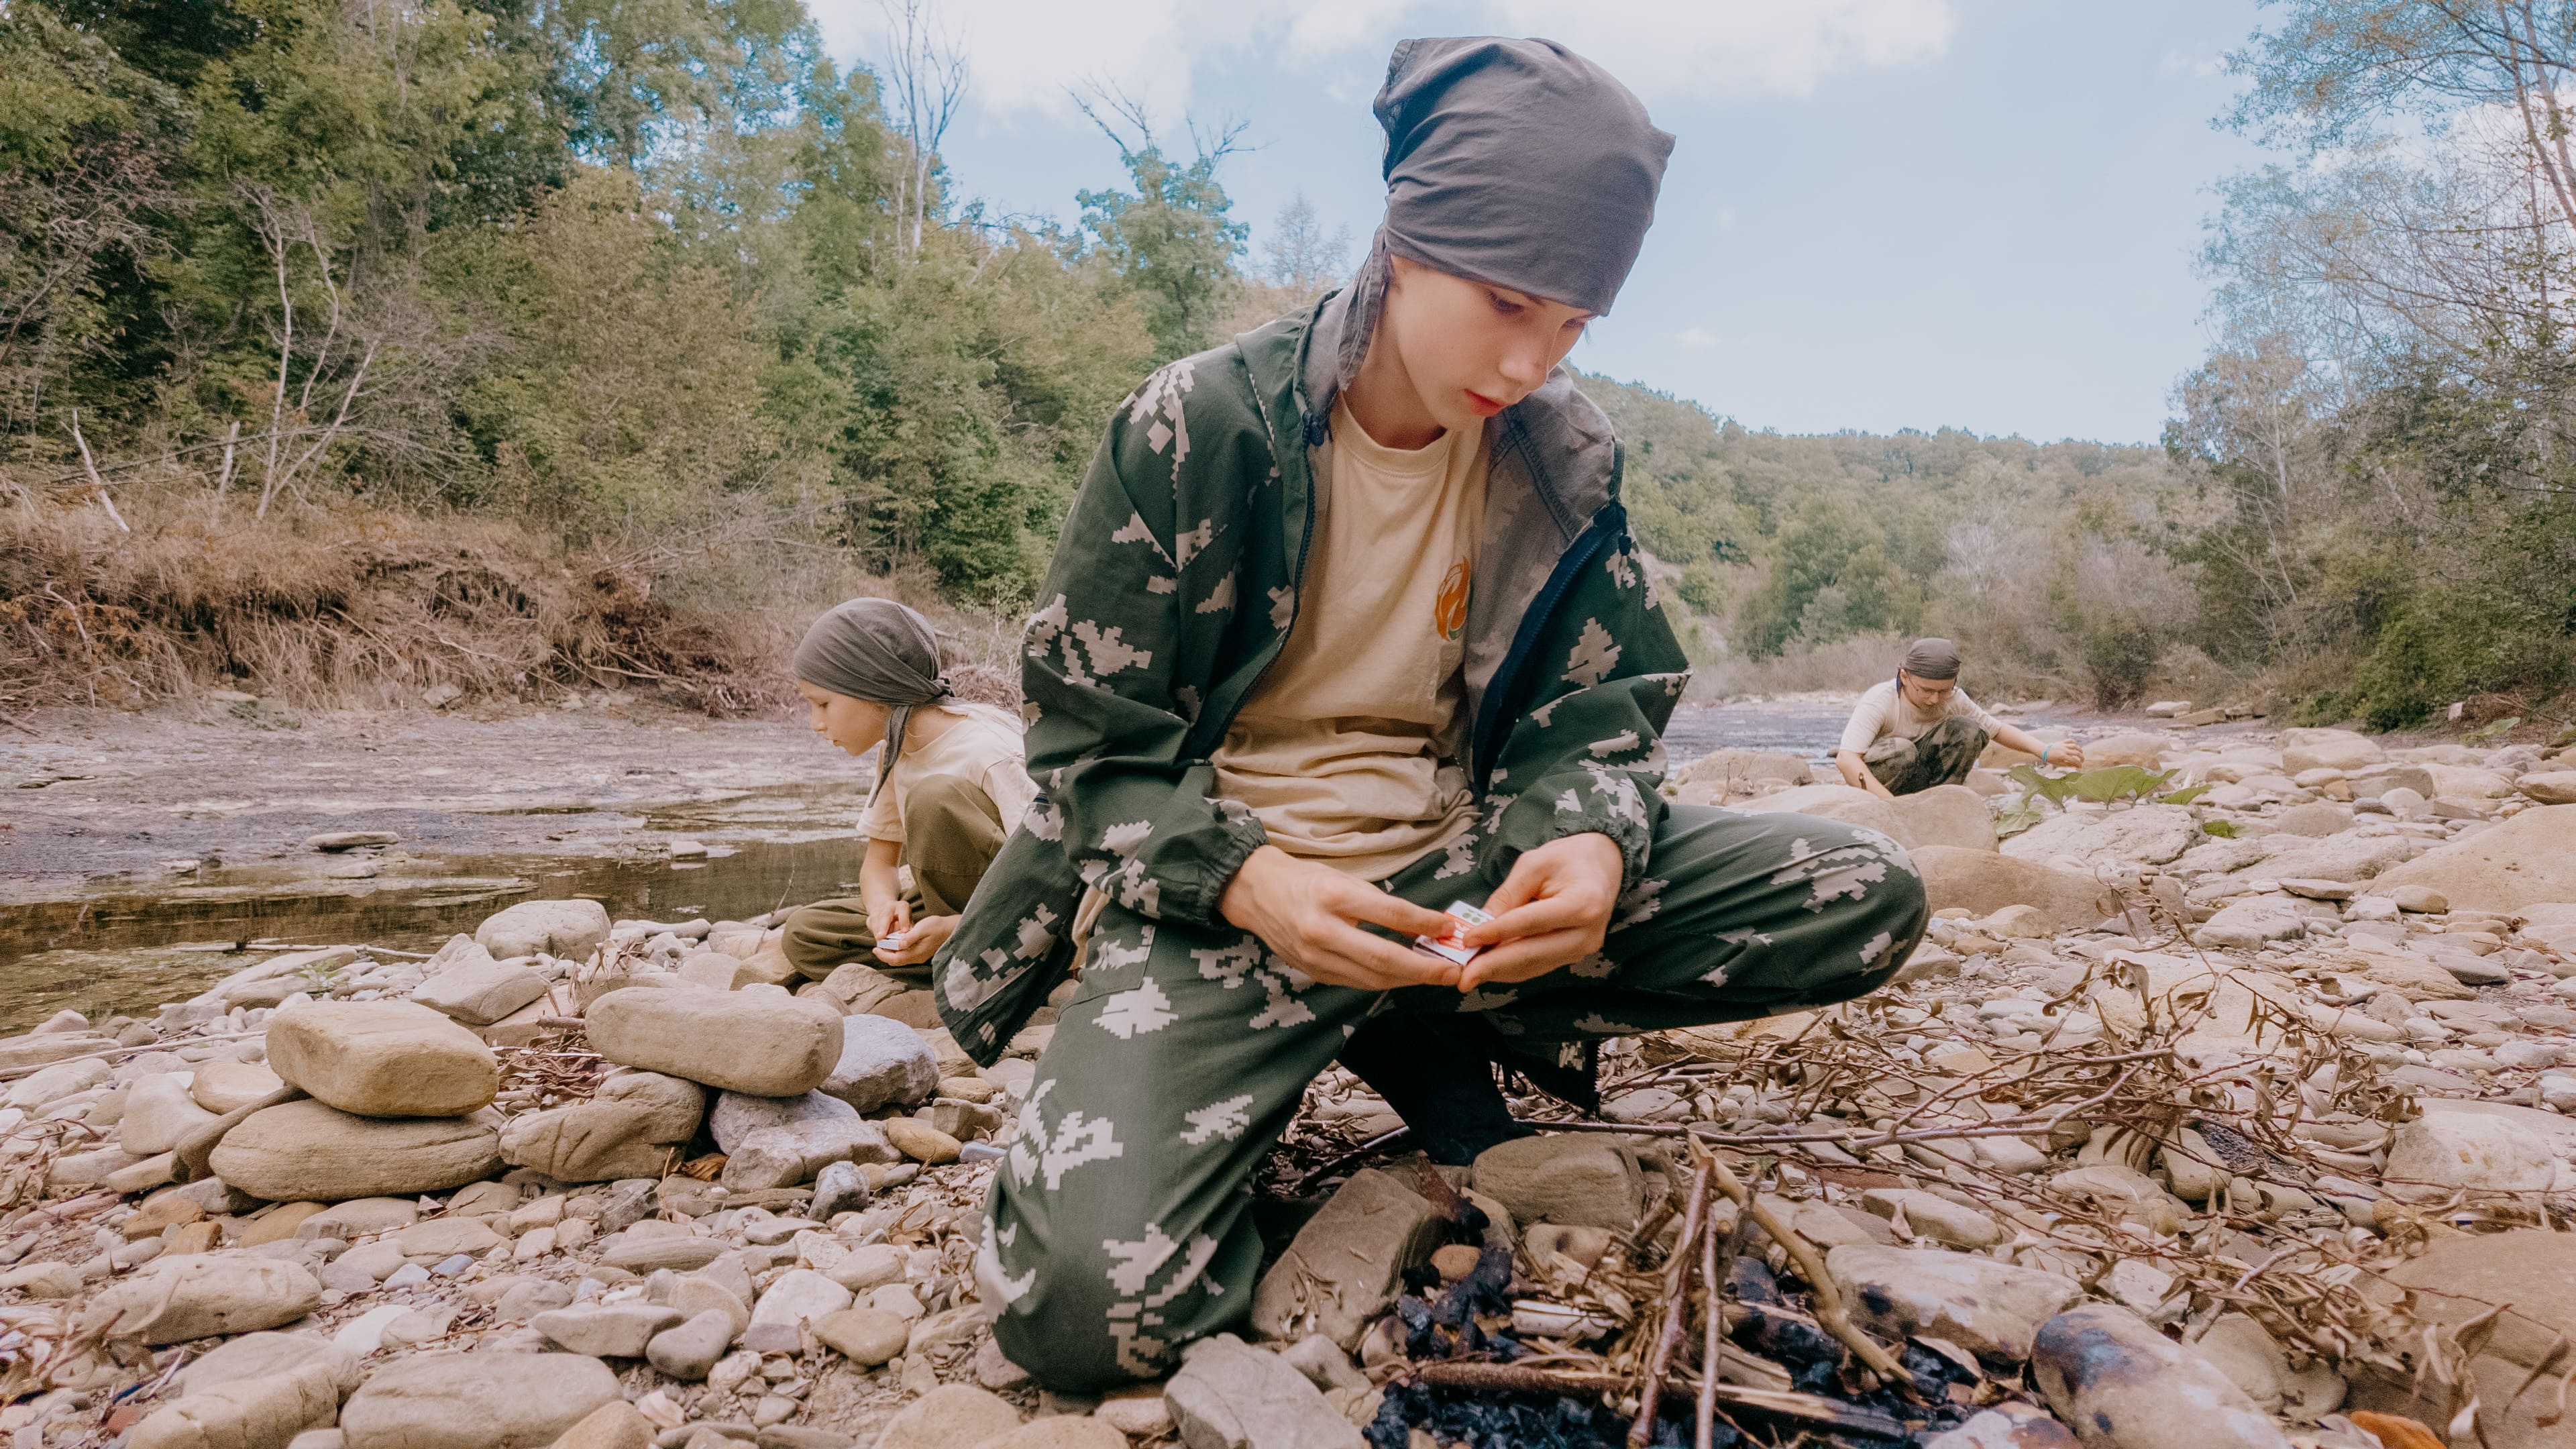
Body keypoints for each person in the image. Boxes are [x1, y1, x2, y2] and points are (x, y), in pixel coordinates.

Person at [930, 37, 1928, 1393]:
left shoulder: (1561, 455)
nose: (1529, 363)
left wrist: (1586, 844)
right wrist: (1250, 881)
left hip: (1465, 884)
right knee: (1084, 1321)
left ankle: (1423, 1016)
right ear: (1407, 238)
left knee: (1861, 884)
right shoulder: (1198, 429)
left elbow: (1598, 711)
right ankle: (1343, 1033)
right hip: (1235, 894)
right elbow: (1091, 756)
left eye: (1573, 325)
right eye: (1508, 302)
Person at [777, 598, 1037, 987]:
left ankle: (995, 957)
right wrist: (883, 909)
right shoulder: (895, 747)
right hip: (953, 913)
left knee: (934, 796)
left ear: (872, 687)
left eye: (823, 704)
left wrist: (954, 927)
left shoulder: (991, 750)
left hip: (1026, 912)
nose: (816, 723)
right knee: (805, 933)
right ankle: (958, 961)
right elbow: (880, 864)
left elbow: (1061, 876)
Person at [1833, 637, 2082, 798]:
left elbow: (1996, 730)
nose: (1935, 699)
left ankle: (1943, 799)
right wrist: (1892, 807)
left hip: (1922, 777)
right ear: (1905, 676)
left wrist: (2046, 751)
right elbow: (1846, 759)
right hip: (1883, 781)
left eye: (1943, 691)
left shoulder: (1955, 699)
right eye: (1926, 691)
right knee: (1903, 750)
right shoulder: (1880, 700)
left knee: (1969, 729)